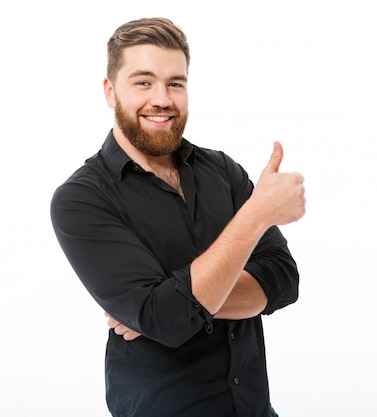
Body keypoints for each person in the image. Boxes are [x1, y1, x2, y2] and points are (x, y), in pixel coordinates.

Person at [50, 17, 306, 417]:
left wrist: (172, 303)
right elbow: (168, 321)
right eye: (143, 82)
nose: (163, 98)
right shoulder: (81, 200)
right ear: (110, 91)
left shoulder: (223, 171)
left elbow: (283, 280)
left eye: (175, 83)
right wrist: (255, 216)